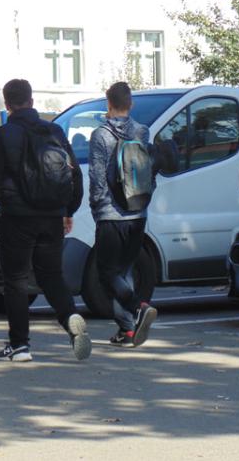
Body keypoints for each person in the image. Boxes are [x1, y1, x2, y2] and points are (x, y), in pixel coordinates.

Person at [0, 79, 91, 363]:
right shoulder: (54, 131)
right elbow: (74, 174)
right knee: (51, 276)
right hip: (51, 217)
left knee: (15, 281)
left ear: (7, 104)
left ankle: (20, 345)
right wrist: (68, 211)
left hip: (17, 218)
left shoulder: (4, 134)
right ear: (31, 100)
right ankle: (70, 317)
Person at [88, 82, 158, 348]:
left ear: (108, 104)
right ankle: (127, 330)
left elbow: (97, 177)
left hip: (110, 215)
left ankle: (137, 307)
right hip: (138, 213)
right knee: (124, 270)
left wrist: (97, 208)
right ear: (131, 104)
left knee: (106, 272)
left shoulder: (100, 135)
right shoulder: (142, 131)